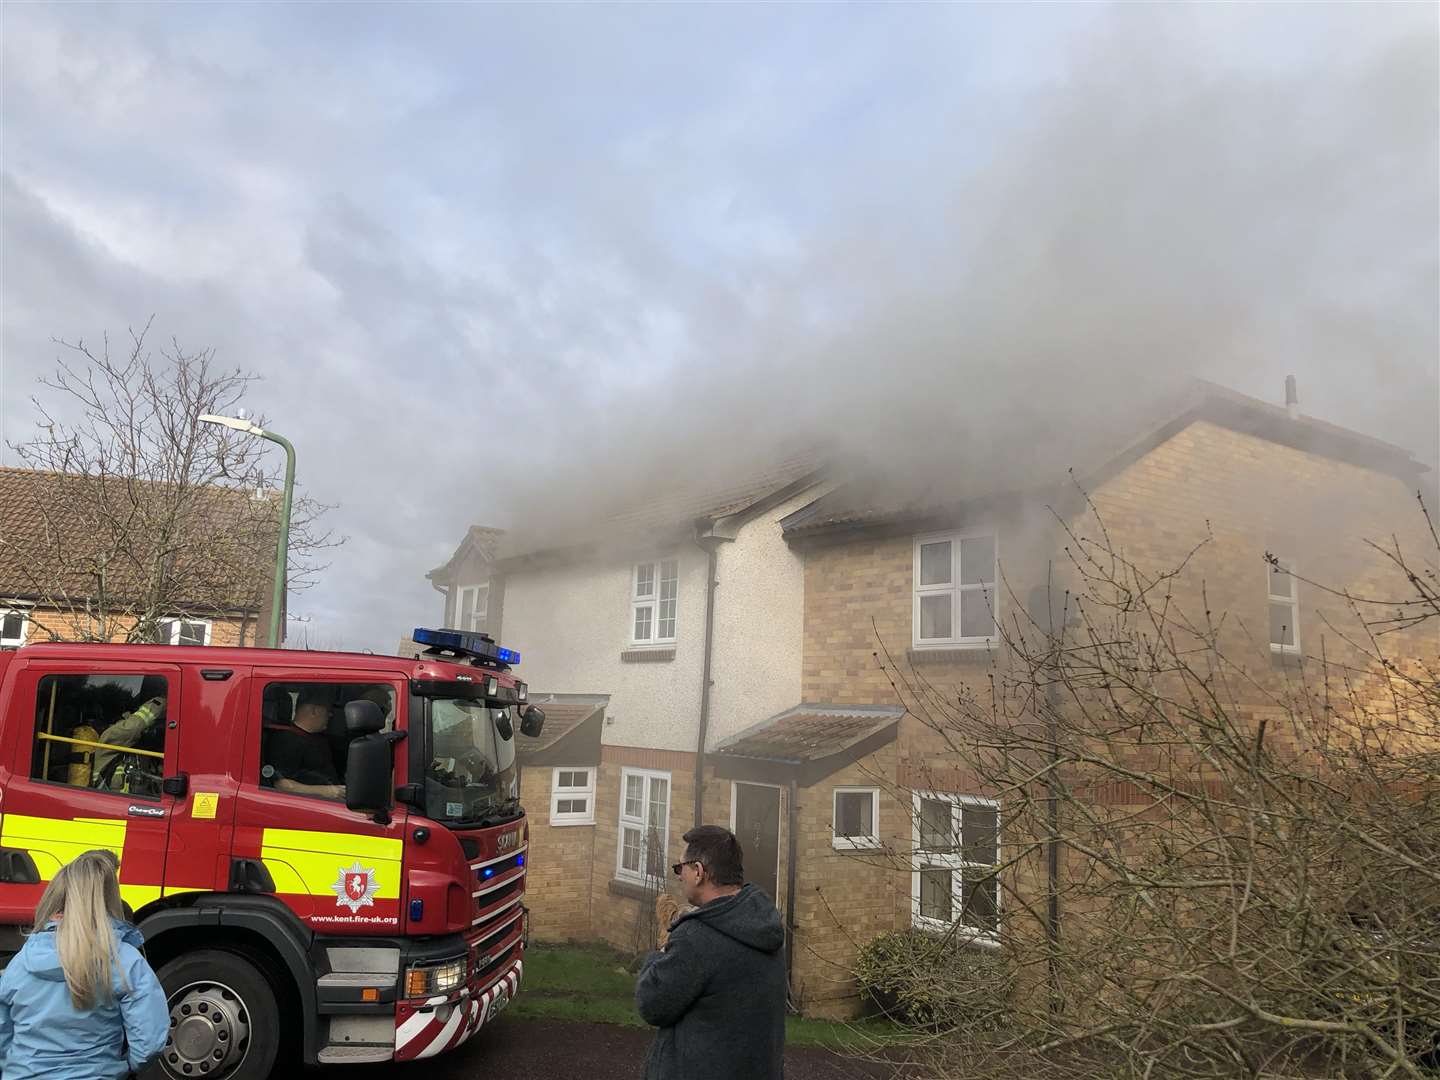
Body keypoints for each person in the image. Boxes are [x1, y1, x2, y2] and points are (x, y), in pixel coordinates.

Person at [0, 850, 169, 1080]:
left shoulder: (21, 962)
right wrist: (124, 1067)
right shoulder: (123, 960)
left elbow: (3, 1033)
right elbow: (149, 1042)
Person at [635, 825, 787, 1080]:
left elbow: (651, 1004)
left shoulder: (696, 938)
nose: (679, 876)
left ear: (698, 872)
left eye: (679, 868)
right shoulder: (763, 924)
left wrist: (661, 952)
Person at [264, 688, 346, 798]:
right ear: (314, 711)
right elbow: (281, 784)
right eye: (328, 710)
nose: (330, 715)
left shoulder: (319, 738)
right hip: (314, 804)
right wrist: (326, 791)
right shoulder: (286, 740)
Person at [91, 684, 167, 792]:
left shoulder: (135, 742)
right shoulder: (111, 735)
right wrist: (163, 700)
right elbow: (134, 727)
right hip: (113, 801)